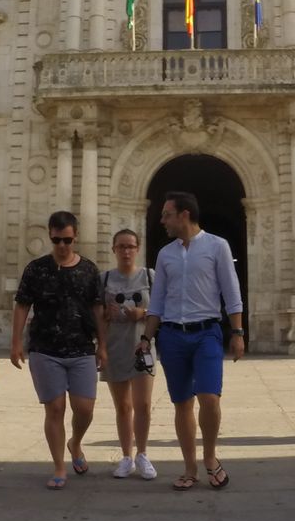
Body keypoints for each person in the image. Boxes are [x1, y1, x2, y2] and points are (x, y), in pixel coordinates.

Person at [143, 191, 244, 491]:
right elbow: (157, 299)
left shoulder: (217, 246)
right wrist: (145, 338)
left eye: (167, 215)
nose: (162, 221)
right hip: (172, 334)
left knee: (209, 397)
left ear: (184, 214)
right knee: (182, 403)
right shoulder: (165, 254)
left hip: (207, 332)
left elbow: (231, 291)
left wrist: (237, 333)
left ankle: (210, 457)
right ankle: (190, 467)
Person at [11, 210, 103, 490]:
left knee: (84, 408)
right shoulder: (36, 269)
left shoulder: (89, 270)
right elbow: (23, 305)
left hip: (82, 347)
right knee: (55, 408)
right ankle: (59, 466)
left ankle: (75, 442)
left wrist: (104, 345)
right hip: (44, 347)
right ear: (50, 236)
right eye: (56, 240)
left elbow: (97, 309)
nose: (62, 246)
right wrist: (16, 341)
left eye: (67, 240)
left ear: (75, 237)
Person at [99, 229, 157, 481]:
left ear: (138, 248)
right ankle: (126, 457)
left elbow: (161, 309)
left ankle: (142, 454)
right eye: (121, 246)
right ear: (113, 249)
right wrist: (99, 345)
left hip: (142, 347)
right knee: (123, 405)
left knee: (143, 404)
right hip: (114, 346)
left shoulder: (150, 277)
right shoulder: (103, 280)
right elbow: (96, 315)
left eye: (130, 246)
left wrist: (141, 313)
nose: (126, 251)